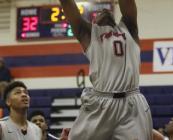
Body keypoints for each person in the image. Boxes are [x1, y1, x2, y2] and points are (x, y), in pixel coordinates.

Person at [59, 0, 153, 140]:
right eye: (97, 13)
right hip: (100, 103)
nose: (104, 11)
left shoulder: (129, 28)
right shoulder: (88, 34)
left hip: (132, 102)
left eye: (107, 11)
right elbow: (67, 5)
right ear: (93, 23)